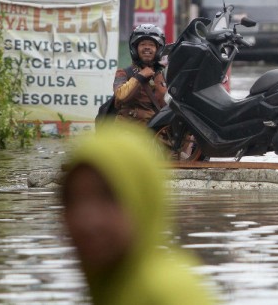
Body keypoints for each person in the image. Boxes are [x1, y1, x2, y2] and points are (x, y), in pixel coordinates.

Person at [62, 122, 216, 305]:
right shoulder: (109, 285)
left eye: (110, 197)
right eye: (72, 200)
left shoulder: (168, 292)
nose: (86, 220)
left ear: (144, 200)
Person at [114, 24, 167, 124]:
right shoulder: (123, 73)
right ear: (135, 49)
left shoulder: (164, 75)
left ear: (158, 49)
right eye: (142, 44)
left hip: (157, 135)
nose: (147, 47)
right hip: (129, 133)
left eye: (151, 44)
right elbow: (120, 96)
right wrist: (139, 77)